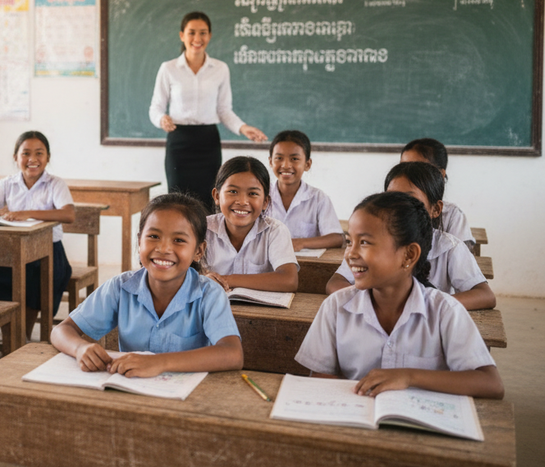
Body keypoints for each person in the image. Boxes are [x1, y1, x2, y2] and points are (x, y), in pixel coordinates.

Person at [296, 192, 504, 399]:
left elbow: (491, 383)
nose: (350, 253)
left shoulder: (445, 311)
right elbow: (321, 376)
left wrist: (409, 377)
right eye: (350, 241)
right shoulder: (335, 307)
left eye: (365, 242)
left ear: (409, 255)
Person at [51, 193, 243, 376]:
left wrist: (160, 362)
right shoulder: (121, 287)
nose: (163, 249)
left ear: (198, 251)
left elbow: (232, 354)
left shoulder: (208, 294)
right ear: (139, 241)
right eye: (153, 236)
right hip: (130, 389)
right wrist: (80, 348)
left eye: (178, 240)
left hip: (188, 398)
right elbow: (61, 330)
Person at [326, 162, 495, 310]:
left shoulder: (450, 247)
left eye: (409, 199)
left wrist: (429, 305)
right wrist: (374, 303)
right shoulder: (368, 244)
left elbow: (485, 295)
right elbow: (335, 283)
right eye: (390, 198)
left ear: (436, 209)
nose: (397, 208)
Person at [149, 11, 267, 213]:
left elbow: (224, 110)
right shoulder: (168, 68)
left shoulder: (220, 69)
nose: (197, 38)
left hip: (208, 142)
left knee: (210, 202)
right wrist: (162, 119)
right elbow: (156, 108)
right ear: (182, 35)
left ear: (210, 36)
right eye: (192, 32)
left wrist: (243, 128)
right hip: (179, 141)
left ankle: (207, 245)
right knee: (178, 202)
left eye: (203, 33)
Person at [0, 131, 74, 338]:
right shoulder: (7, 183)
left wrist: (26, 214)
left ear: (48, 158)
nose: (32, 159)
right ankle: (11, 333)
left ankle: (22, 339)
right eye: (26, 153)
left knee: (33, 287)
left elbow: (69, 214)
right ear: (16, 157)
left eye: (39, 153)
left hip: (48, 252)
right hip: (13, 250)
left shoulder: (55, 184)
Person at [204, 156, 299, 293]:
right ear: (217, 196)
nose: (242, 201)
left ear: (265, 202)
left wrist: (225, 280)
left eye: (253, 193)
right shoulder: (202, 228)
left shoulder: (275, 231)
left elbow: (289, 280)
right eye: (233, 191)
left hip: (260, 313)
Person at [265, 130, 344, 250]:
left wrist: (301, 243)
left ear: (307, 164)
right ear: (271, 162)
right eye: (279, 158)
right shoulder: (262, 195)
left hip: (306, 264)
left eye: (294, 159)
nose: (286, 165)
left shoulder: (318, 198)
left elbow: (337, 238)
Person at [400, 138, 475, 247]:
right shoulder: (390, 209)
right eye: (402, 167)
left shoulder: (451, 215)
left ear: (440, 174)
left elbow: (462, 256)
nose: (408, 174)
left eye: (419, 169)